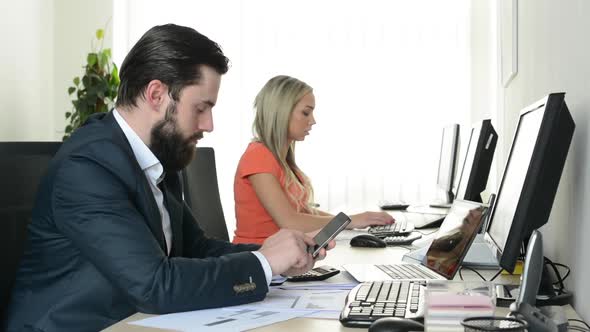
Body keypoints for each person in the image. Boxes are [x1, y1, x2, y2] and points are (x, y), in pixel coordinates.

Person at [4, 25, 333, 332]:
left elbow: (197, 249)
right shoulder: (88, 167)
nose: (209, 125)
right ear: (157, 94)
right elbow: (155, 285)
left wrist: (276, 252)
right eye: (201, 108)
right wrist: (263, 263)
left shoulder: (156, 157)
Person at [233, 75, 394, 244]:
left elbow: (303, 212)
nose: (312, 121)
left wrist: (353, 221)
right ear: (281, 112)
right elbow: (290, 222)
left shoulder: (283, 160)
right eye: (305, 112)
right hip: (260, 258)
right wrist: (350, 220)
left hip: (283, 254)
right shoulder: (258, 155)